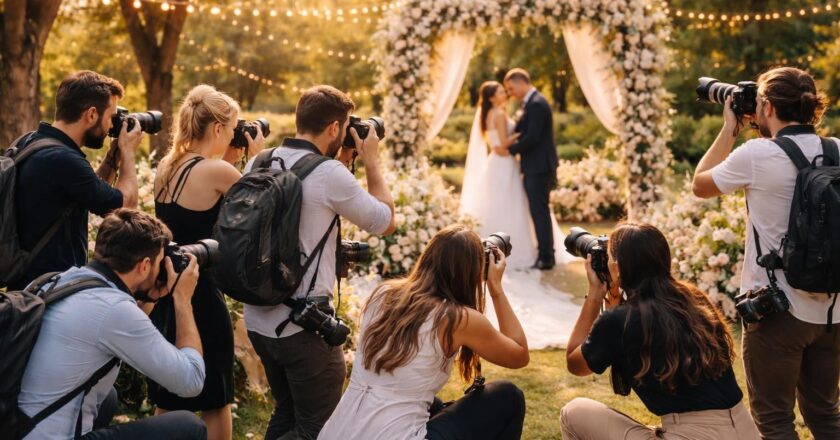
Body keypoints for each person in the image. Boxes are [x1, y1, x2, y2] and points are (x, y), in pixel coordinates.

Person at [692, 66, 840, 439]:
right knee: (826, 416)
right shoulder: (837, 149)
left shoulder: (757, 154)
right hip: (834, 310)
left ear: (769, 108)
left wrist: (729, 128)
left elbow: (700, 184)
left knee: (774, 420)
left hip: (777, 311)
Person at [244, 85, 396, 440]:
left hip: (259, 318)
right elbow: (386, 221)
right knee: (318, 430)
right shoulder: (330, 175)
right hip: (302, 327)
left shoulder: (261, 160)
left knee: (286, 414)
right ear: (333, 128)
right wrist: (371, 159)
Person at [318, 224, 528, 440]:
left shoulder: (384, 294)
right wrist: (495, 287)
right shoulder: (456, 318)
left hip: (338, 432)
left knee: (435, 405)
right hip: (395, 435)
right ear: (472, 270)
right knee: (507, 395)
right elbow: (519, 354)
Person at [18, 208, 207, 439]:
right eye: (160, 262)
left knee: (107, 399)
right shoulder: (114, 310)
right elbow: (191, 380)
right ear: (145, 266)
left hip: (15, 427)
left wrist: (151, 297)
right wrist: (183, 300)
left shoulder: (56, 280)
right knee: (188, 426)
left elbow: (121, 336)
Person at [561, 222, 759, 440]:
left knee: (574, 412)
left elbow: (575, 362)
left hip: (692, 435)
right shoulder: (694, 298)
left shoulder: (621, 320)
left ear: (617, 268)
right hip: (744, 430)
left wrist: (596, 294)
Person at [149, 84, 264, 440]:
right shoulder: (217, 171)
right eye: (231, 130)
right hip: (200, 293)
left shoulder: (167, 166)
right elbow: (265, 208)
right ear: (217, 129)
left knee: (169, 397)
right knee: (215, 398)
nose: (235, 137)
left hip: (167, 291)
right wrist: (256, 156)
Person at [9, 70, 142, 290]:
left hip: (27, 286)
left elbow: (93, 194)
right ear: (91, 114)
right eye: (111, 117)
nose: (112, 127)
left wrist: (113, 157)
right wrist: (128, 153)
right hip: (49, 291)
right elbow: (126, 205)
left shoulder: (33, 142)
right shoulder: (63, 159)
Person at [461, 80, 572, 269]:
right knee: (513, 204)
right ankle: (532, 250)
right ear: (492, 97)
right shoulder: (500, 114)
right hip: (505, 162)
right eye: (502, 91)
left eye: (508, 89)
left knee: (500, 204)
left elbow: (496, 145)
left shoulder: (489, 114)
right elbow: (502, 145)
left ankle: (512, 248)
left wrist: (511, 142)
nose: (506, 93)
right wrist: (517, 137)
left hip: (497, 163)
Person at [501, 68, 559, 270]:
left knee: (539, 212)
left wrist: (509, 150)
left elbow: (532, 138)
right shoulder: (532, 103)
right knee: (539, 211)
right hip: (537, 167)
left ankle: (546, 257)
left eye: (510, 88)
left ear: (520, 83)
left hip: (539, 168)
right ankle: (545, 254)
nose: (510, 93)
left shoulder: (536, 105)